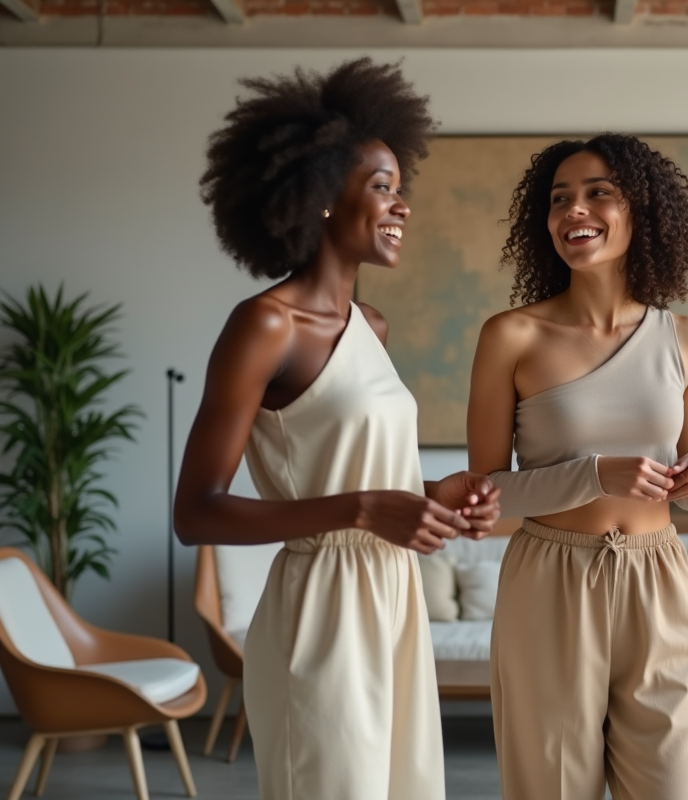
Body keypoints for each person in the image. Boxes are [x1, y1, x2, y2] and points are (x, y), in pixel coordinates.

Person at [173, 58, 501, 800]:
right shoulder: (264, 325)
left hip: (395, 598)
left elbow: (363, 472)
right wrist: (361, 509)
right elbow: (194, 513)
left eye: (399, 186)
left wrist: (435, 495)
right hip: (317, 610)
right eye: (382, 186)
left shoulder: (371, 327)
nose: (402, 204)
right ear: (322, 198)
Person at [467, 133, 688, 800]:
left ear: (641, 209)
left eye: (597, 193)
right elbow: (486, 494)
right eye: (559, 199)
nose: (573, 210)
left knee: (674, 786)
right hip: (549, 581)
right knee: (550, 786)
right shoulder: (511, 335)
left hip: (658, 577)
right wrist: (593, 473)